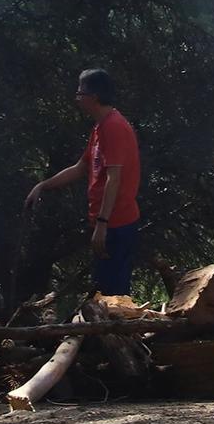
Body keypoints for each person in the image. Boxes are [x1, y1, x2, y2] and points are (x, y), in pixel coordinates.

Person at [24, 69, 142, 295]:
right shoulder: (100, 128)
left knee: (113, 296)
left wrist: (102, 224)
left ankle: (118, 331)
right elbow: (81, 168)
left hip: (116, 225)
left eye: (80, 93)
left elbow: (114, 178)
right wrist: (42, 186)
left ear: (94, 97)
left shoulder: (114, 127)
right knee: (102, 292)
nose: (77, 98)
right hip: (106, 223)